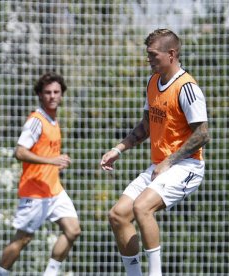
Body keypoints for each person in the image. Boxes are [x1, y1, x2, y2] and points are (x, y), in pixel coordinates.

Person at [100, 28, 210, 276]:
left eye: (153, 55)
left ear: (171, 54)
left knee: (141, 208)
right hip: (162, 166)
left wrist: (169, 162)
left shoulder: (187, 88)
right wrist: (119, 149)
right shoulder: (152, 82)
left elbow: (203, 134)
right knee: (118, 215)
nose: (149, 60)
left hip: (186, 166)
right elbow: (145, 126)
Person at [0, 72, 81, 276]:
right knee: (22, 239)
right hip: (34, 192)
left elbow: (43, 152)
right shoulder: (36, 120)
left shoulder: (53, 120)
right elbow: (20, 151)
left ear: (62, 94)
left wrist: (55, 163)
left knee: (73, 230)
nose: (52, 96)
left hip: (53, 189)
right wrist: (51, 161)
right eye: (47, 92)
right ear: (40, 95)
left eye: (56, 92)